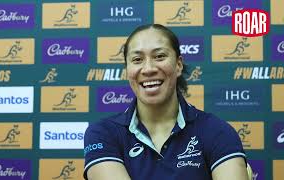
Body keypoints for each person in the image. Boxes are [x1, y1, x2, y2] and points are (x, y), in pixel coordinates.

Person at [83, 24, 248, 180]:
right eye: (137, 59)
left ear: (178, 65)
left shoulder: (217, 131)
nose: (148, 69)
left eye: (159, 56)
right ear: (127, 70)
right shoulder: (103, 133)